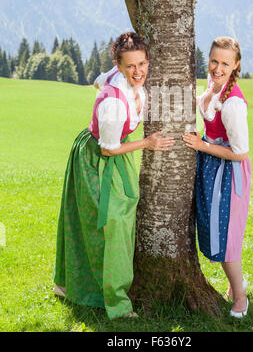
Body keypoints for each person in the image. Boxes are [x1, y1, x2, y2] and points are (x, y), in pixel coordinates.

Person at [53, 32, 174, 319]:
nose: (138, 71)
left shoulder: (116, 77)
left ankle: (73, 284)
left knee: (113, 222)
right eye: (131, 66)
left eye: (142, 63)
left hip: (113, 152)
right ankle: (115, 304)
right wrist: (148, 143)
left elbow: (98, 79)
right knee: (112, 224)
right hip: (96, 156)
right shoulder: (114, 102)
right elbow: (109, 149)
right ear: (119, 66)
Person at [183, 36, 251, 318]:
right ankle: (238, 284)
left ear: (236, 66)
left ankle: (240, 296)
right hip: (211, 165)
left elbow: (241, 153)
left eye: (225, 63)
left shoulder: (233, 104)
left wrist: (202, 146)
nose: (217, 67)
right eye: (214, 60)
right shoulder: (212, 88)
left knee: (225, 239)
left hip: (229, 174)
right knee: (214, 233)